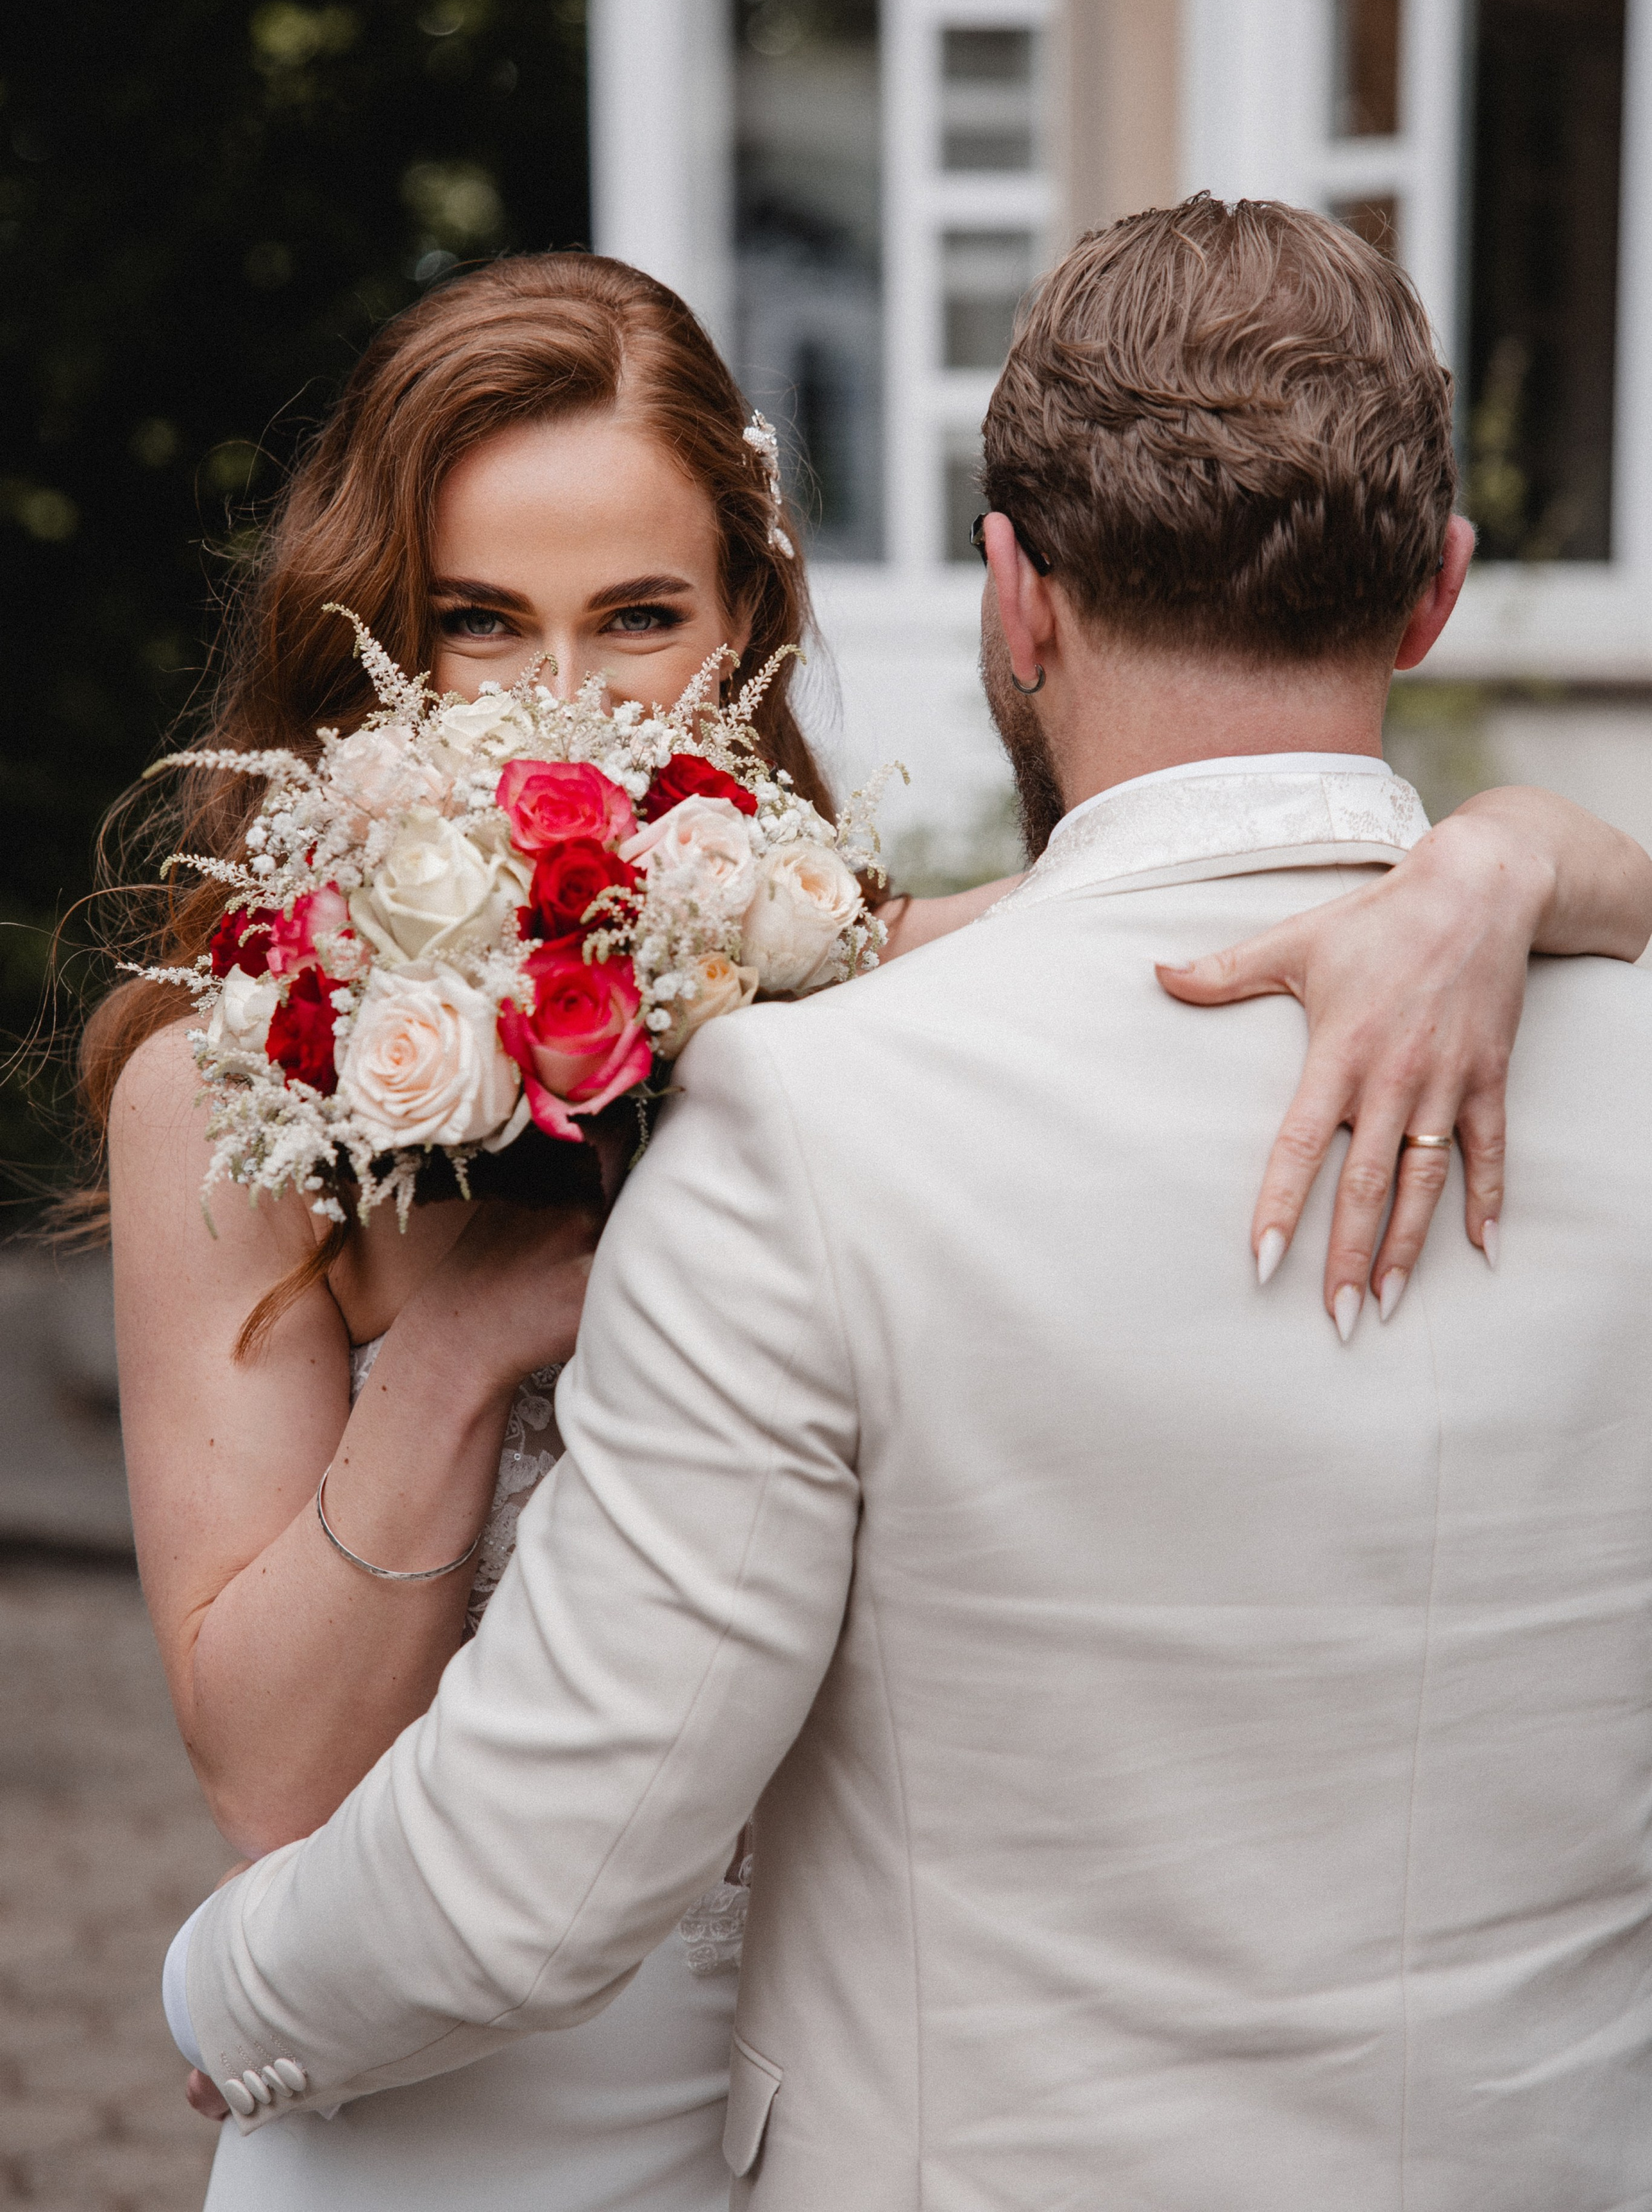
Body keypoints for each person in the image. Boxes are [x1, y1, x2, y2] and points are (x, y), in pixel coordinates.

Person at [159, 201, 1652, 2210]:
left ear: (1008, 599)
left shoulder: (827, 1056)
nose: (555, 704)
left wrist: (1507, 871)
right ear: (1439, 592)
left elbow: (527, 1880)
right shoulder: (263, 1070)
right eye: (477, 619)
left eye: (639, 614)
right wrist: (1510, 855)